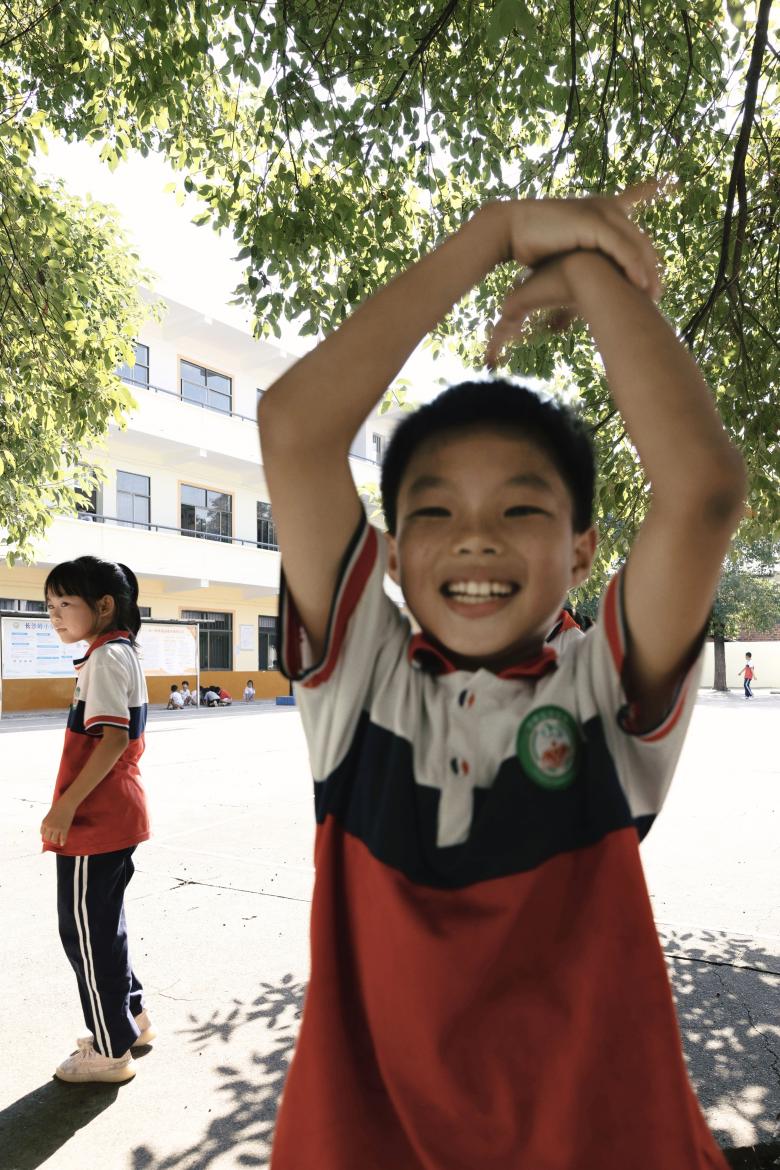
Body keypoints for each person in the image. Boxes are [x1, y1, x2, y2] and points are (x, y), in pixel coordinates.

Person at [258, 185, 747, 1170]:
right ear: (394, 556)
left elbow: (702, 491)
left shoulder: (595, 695)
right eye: (435, 512)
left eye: (521, 509)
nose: (475, 536)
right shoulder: (363, 687)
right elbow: (294, 427)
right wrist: (496, 232)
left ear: (582, 551)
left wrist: (594, 275)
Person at [42, 556, 156, 1083]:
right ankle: (131, 1018)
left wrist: (65, 806)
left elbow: (112, 740)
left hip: (98, 817)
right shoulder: (116, 651)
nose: (54, 616)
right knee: (103, 926)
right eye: (49, 606)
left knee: (85, 934)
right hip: (114, 811)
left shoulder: (107, 657)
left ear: (104, 605)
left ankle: (111, 1050)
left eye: (64, 603)